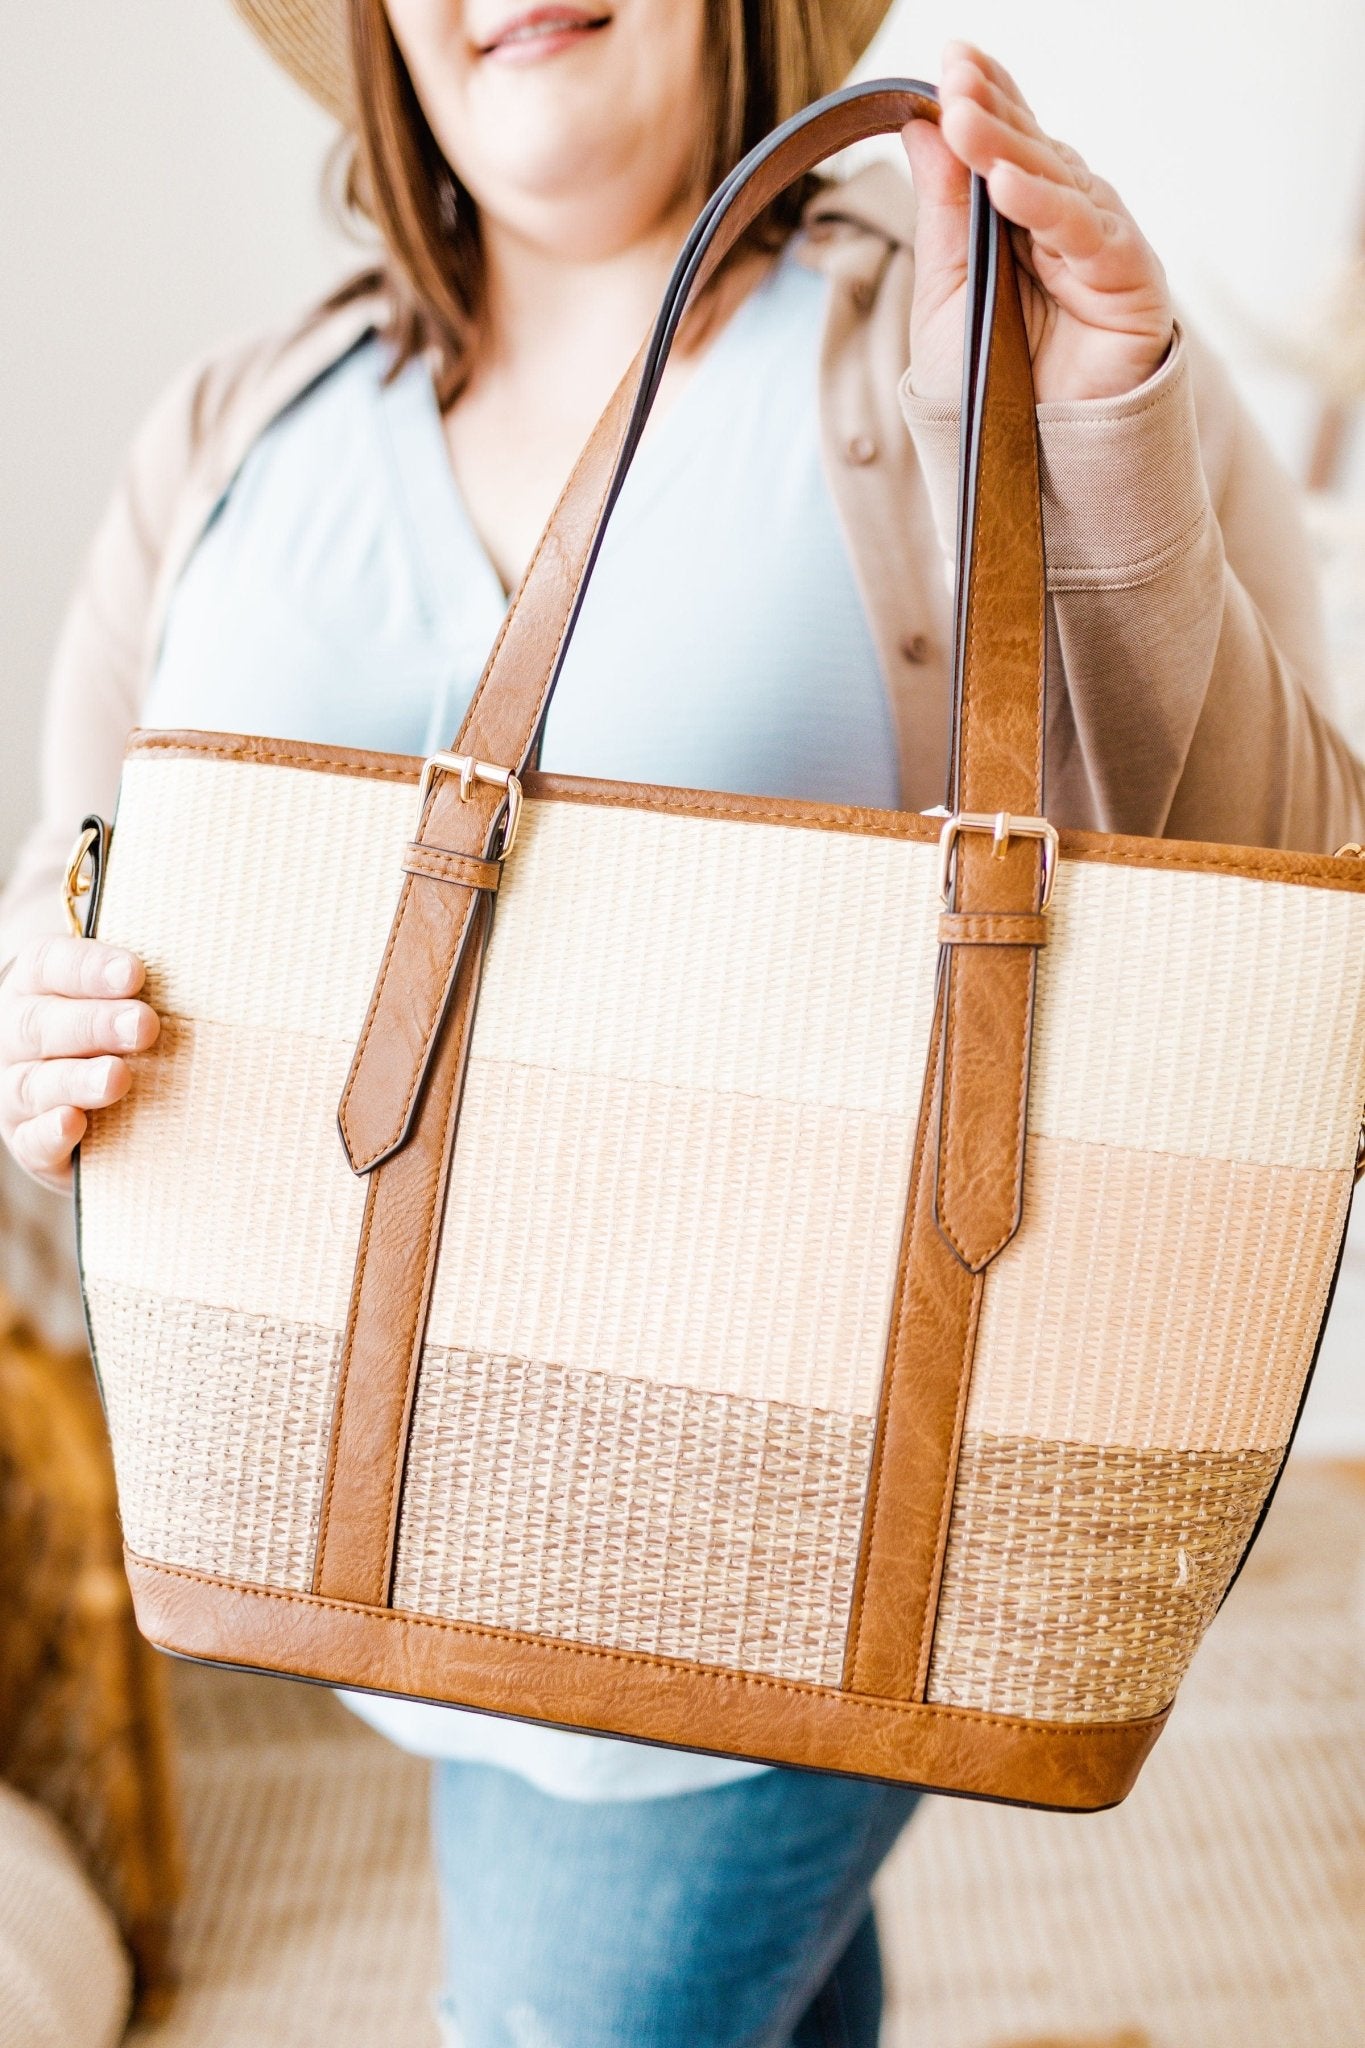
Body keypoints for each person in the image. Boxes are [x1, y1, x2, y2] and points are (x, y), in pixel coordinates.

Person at [2, 4, 1363, 2042]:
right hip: (364, 1523)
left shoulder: (983, 332)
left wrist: (1097, 431)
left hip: (783, 1534)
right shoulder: (235, 418)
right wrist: (42, 1023)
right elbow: (76, 871)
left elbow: (1275, 917)